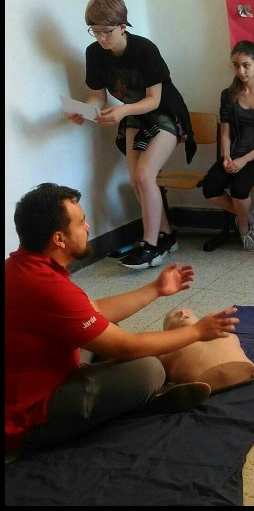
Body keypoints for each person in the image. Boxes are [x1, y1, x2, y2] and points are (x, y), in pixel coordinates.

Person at [5, 183, 240, 456]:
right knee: (148, 370)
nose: (88, 226)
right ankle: (135, 400)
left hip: (34, 381)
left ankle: (123, 394)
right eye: (81, 223)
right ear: (59, 239)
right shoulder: (48, 287)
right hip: (26, 420)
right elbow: (128, 347)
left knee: (107, 329)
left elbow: (93, 310)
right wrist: (198, 331)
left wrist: (156, 289)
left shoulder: (23, 267)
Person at [68, 0, 196, 270]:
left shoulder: (144, 49)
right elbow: (97, 95)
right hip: (134, 117)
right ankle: (165, 236)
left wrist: (123, 110)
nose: (101, 38)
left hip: (165, 113)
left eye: (107, 31)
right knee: (137, 179)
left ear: (123, 26)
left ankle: (149, 243)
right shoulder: (94, 53)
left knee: (144, 174)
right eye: (95, 31)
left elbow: (154, 100)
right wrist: (85, 111)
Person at [201, 41, 254, 251]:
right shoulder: (228, 94)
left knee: (239, 189)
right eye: (236, 66)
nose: (241, 71)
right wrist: (227, 157)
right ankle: (250, 217)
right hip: (234, 153)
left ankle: (244, 229)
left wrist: (243, 160)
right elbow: (225, 131)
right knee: (210, 188)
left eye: (246, 65)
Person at [158, 308, 254, 393]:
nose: (182, 313)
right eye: (173, 317)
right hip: (245, 372)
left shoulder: (229, 336)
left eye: (188, 313)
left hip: (204, 383)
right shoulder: (231, 336)